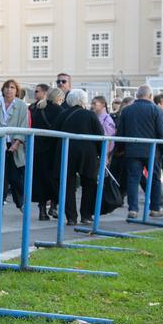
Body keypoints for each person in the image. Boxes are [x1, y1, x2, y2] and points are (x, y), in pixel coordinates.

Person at [115, 85, 163, 219]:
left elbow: (120, 132)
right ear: (150, 96)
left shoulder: (127, 110)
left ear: (137, 96)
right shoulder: (157, 110)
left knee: (133, 179)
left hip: (132, 150)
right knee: (155, 179)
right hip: (152, 151)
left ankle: (133, 209)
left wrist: (120, 149)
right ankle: (155, 208)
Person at [60, 89, 104, 227]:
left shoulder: (63, 114)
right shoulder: (90, 115)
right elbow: (100, 135)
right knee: (89, 184)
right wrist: (101, 154)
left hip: (67, 152)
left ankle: (71, 217)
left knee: (68, 186)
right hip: (88, 154)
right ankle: (86, 215)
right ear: (83, 100)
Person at [30, 86, 65, 220]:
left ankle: (42, 211)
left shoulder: (38, 109)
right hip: (53, 150)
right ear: (59, 98)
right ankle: (54, 206)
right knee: (55, 179)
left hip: (38, 150)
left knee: (40, 180)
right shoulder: (59, 111)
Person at [0, 79, 30, 212]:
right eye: (6, 87)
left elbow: (24, 124)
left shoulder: (22, 106)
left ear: (16, 91)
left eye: (12, 87)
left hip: (15, 144)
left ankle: (21, 203)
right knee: (0, 176)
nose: (9, 90)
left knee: (16, 177)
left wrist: (16, 142)